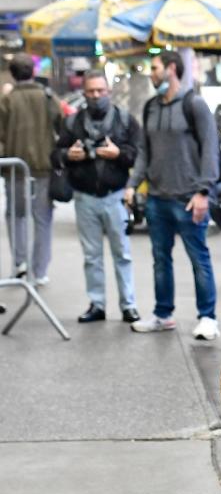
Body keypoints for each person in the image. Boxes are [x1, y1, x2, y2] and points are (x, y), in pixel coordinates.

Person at [124, 50, 220, 340]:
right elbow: (144, 151)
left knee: (198, 258)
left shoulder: (195, 104)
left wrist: (204, 192)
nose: (151, 73)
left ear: (171, 69)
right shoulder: (151, 107)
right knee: (160, 260)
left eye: (155, 68)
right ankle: (163, 314)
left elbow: (210, 149)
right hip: (157, 198)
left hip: (188, 198)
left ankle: (208, 318)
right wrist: (132, 183)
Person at [52, 70, 141, 323]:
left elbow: (138, 153)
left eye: (100, 91)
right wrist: (68, 155)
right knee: (91, 256)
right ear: (84, 93)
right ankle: (97, 304)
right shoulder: (72, 123)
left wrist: (118, 154)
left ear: (108, 92)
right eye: (91, 91)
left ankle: (129, 305)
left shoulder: (124, 120)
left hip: (115, 196)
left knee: (122, 253)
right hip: (85, 197)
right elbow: (55, 154)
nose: (96, 96)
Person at [0, 53, 61, 284]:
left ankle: (20, 263)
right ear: (33, 72)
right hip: (43, 170)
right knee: (43, 219)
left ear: (13, 74)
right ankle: (41, 270)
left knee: (16, 216)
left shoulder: (6, 101)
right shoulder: (47, 98)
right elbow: (62, 125)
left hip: (14, 169)